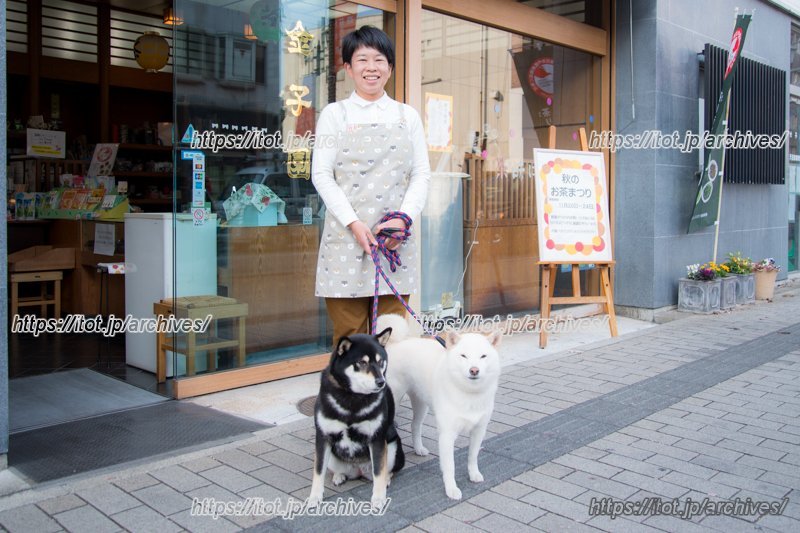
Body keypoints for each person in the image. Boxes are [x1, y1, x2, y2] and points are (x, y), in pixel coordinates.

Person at [312, 25, 431, 345]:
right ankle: (349, 397)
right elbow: (321, 175)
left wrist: (402, 219)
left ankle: (387, 396)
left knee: (392, 337)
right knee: (349, 339)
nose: (371, 67)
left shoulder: (408, 116)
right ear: (348, 68)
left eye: (379, 60)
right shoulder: (334, 115)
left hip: (395, 242)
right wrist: (353, 222)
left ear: (390, 67)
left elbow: (421, 174)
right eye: (362, 59)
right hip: (345, 242)